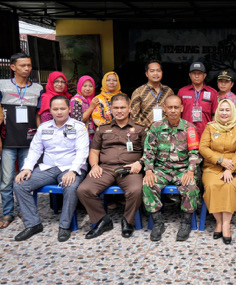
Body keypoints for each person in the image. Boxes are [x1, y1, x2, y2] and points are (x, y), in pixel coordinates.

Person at [13, 95, 89, 242]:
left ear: (69, 109)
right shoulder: (43, 127)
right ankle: (33, 224)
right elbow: (35, 150)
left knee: (71, 186)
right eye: (55, 109)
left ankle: (65, 226)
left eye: (62, 108)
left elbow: (82, 152)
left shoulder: (78, 127)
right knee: (20, 185)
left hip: (70, 167)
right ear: (50, 110)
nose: (59, 112)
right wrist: (27, 168)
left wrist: (73, 171)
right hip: (48, 167)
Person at [77, 93, 146, 240]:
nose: (119, 111)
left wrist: (139, 163)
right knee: (84, 190)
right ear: (111, 110)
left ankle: (127, 221)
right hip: (105, 168)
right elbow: (94, 151)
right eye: (116, 108)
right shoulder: (102, 129)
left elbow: (149, 152)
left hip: (129, 169)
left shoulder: (140, 129)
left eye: (122, 107)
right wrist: (94, 165)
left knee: (136, 190)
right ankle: (102, 220)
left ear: (129, 109)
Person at [143, 95, 202, 242]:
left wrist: (190, 171)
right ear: (165, 109)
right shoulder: (156, 127)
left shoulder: (190, 128)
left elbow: (194, 153)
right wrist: (149, 170)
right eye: (170, 107)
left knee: (190, 186)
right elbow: (148, 151)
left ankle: (185, 222)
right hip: (162, 170)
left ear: (181, 108)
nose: (173, 111)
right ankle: (158, 222)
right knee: (148, 185)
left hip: (182, 169)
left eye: (176, 107)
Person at [0, 52, 43, 229]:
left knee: (26, 178)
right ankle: (7, 212)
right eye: (23, 65)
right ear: (12, 67)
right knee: (7, 179)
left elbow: (38, 115)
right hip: (8, 138)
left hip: (29, 139)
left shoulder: (38, 88)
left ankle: (24, 210)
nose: (27, 69)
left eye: (29, 65)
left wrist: (41, 138)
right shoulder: (2, 85)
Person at [199, 99, 236, 244]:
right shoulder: (210, 127)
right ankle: (218, 222)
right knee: (212, 186)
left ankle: (226, 224)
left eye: (228, 110)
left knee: (227, 186)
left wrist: (229, 168)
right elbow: (203, 148)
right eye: (222, 110)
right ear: (217, 111)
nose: (224, 113)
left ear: (233, 112)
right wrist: (220, 160)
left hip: (235, 167)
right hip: (212, 167)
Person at [178, 62, 218, 136]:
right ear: (190, 75)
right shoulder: (182, 92)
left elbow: (215, 115)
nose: (196, 76)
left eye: (199, 73)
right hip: (185, 132)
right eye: (194, 73)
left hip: (205, 133)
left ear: (204, 75)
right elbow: (178, 114)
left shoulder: (213, 93)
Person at [130, 61, 174, 128]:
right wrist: (143, 131)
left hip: (166, 131)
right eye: (152, 71)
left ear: (162, 72)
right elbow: (134, 115)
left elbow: (173, 111)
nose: (156, 73)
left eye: (158, 71)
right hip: (146, 132)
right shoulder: (138, 92)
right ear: (147, 74)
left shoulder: (168, 91)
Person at [70, 75, 97, 140]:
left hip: (92, 135)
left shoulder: (92, 100)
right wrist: (91, 107)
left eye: (91, 86)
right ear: (79, 86)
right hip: (81, 136)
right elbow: (78, 120)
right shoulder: (76, 100)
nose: (88, 88)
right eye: (84, 86)